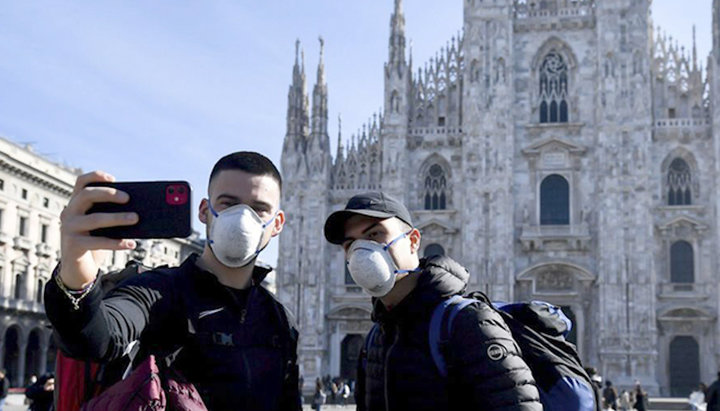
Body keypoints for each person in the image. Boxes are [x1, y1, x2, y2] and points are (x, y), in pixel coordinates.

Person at [44, 152, 300, 410]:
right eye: (228, 204)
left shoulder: (278, 319)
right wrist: (76, 273)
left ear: (277, 223)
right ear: (204, 211)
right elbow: (95, 338)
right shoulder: (156, 290)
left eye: (258, 209)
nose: (243, 219)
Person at [323, 191, 542, 410]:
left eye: (374, 235)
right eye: (350, 245)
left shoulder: (468, 322)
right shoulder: (375, 339)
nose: (363, 252)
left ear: (413, 241)